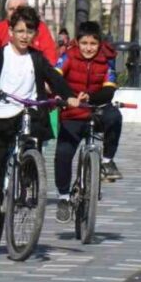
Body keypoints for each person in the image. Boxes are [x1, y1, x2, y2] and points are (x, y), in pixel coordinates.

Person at [0, 6, 77, 237]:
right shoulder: (1, 55)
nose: (25, 36)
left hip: (27, 114)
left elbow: (53, 77)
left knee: (31, 147)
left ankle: (28, 182)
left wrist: (69, 96)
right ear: (10, 32)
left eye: (30, 31)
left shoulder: (36, 58)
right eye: (20, 31)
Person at [53, 21, 124, 223]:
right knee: (63, 154)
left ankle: (108, 161)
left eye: (93, 43)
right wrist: (67, 97)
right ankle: (64, 197)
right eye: (84, 43)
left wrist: (90, 98)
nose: (88, 48)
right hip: (72, 113)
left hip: (96, 109)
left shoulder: (107, 60)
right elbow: (55, 77)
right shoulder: (67, 56)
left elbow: (109, 89)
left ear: (99, 44)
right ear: (77, 42)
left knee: (115, 117)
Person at [0, 0, 58, 69]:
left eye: (19, 9)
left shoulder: (40, 27)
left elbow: (49, 54)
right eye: (11, 9)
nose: (15, 12)